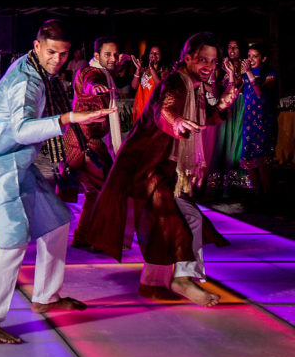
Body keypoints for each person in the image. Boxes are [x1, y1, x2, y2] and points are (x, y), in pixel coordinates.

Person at [0, 20, 114, 344]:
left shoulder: (36, 69)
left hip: (19, 164)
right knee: (12, 238)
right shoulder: (28, 81)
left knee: (55, 222)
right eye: (51, 52)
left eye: (63, 54)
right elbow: (23, 130)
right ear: (37, 47)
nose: (57, 59)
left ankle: (46, 297)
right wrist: (69, 119)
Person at [90, 32, 238, 306]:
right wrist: (177, 122)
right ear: (188, 57)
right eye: (203, 59)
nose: (209, 66)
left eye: (213, 61)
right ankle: (180, 280)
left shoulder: (193, 86)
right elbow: (163, 110)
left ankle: (154, 283)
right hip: (148, 166)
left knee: (183, 220)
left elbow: (207, 116)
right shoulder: (176, 83)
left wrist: (226, 102)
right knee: (171, 220)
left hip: (166, 167)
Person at [62, 37, 120, 249]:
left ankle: (83, 237)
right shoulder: (91, 72)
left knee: (95, 192)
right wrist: (94, 88)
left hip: (84, 139)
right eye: (107, 55)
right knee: (106, 189)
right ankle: (94, 238)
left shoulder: (106, 74)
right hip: (84, 141)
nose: (112, 58)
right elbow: (87, 81)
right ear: (96, 56)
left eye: (115, 54)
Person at [241, 42, 278, 203]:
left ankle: (268, 198)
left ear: (263, 58)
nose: (251, 59)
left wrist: (249, 73)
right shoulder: (245, 75)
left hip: (263, 120)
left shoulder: (270, 74)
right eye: (249, 56)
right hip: (249, 120)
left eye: (255, 56)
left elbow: (260, 94)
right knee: (250, 159)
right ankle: (258, 197)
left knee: (262, 159)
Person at [213, 39, 245, 176]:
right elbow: (216, 91)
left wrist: (231, 73)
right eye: (229, 47)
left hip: (240, 105)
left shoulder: (245, 67)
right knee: (223, 140)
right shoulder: (222, 68)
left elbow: (237, 89)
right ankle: (221, 176)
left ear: (241, 49)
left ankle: (237, 176)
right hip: (226, 106)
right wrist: (215, 73)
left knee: (238, 138)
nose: (231, 50)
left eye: (235, 47)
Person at [130, 44, 164, 120]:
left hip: (153, 107)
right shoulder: (143, 70)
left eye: (157, 53)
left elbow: (160, 86)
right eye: (152, 53)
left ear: (161, 56)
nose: (154, 55)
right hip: (141, 106)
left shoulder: (163, 71)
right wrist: (138, 70)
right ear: (148, 55)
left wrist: (152, 68)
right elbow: (134, 86)